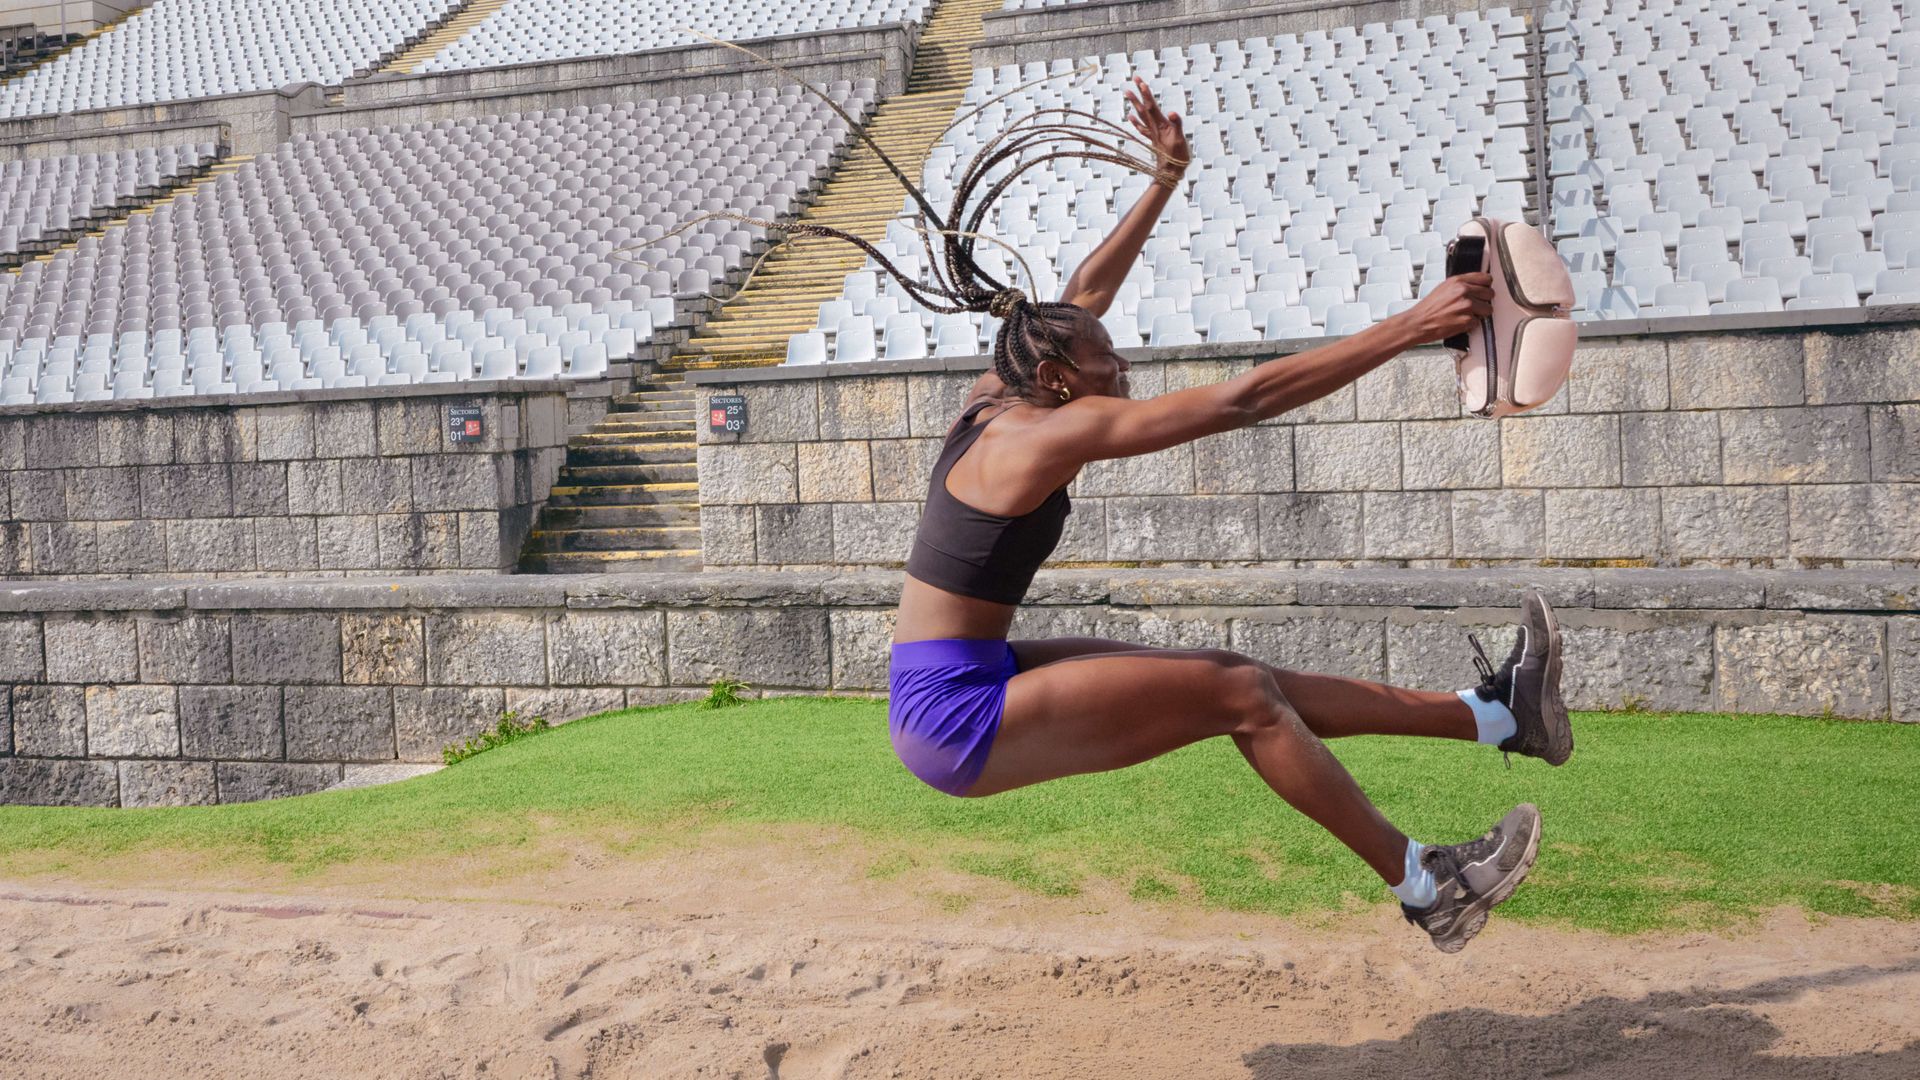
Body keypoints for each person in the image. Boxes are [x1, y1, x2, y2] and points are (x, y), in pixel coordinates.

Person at [702, 65, 1574, 952]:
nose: (1122, 370)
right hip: (956, 718)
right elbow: (1239, 402)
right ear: (1058, 379)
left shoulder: (1007, 389)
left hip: (967, 671)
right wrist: (1407, 327)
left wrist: (1161, 182)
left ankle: (1502, 715)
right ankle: (1429, 885)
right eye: (1107, 362)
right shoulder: (1034, 437)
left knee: (1236, 675)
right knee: (1238, 695)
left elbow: (1084, 294)